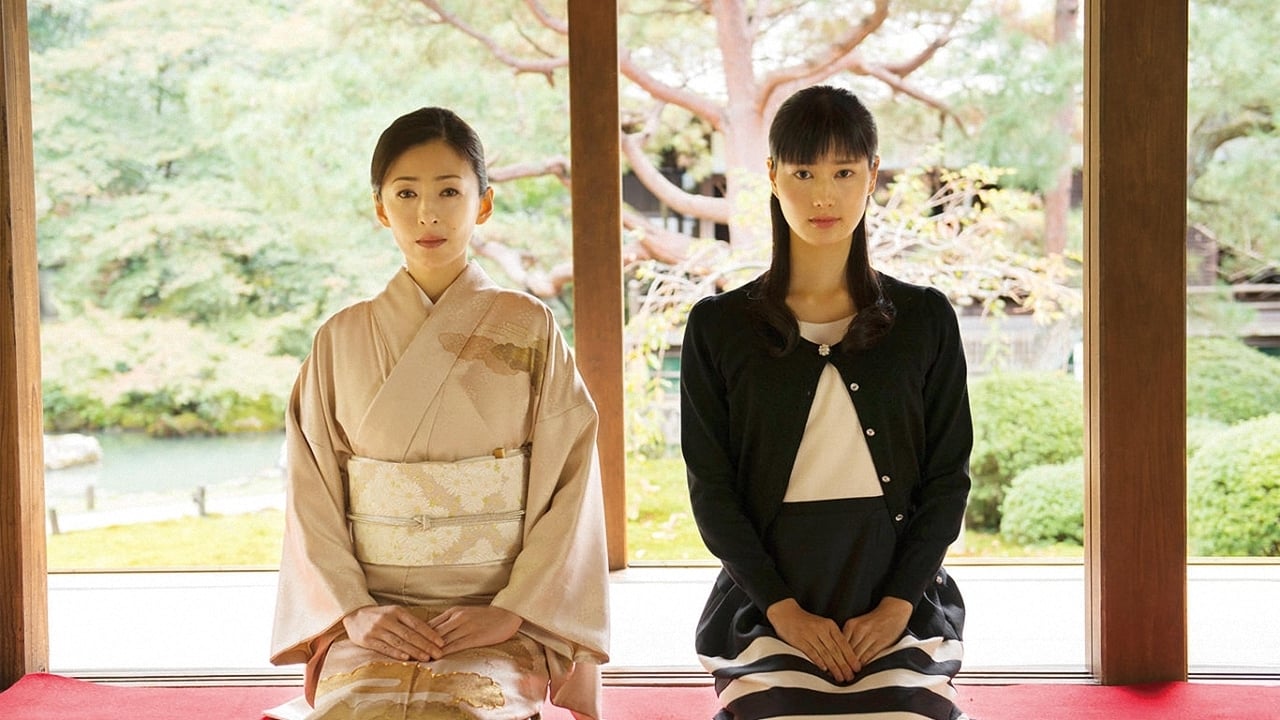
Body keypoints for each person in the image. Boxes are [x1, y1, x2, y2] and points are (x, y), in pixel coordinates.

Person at [269, 107, 610, 720]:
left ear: (484, 204)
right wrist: (355, 610)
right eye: (406, 193)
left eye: (449, 191)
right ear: (381, 208)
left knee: (462, 711)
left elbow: (570, 481)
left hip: (495, 614)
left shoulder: (529, 327)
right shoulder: (339, 338)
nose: (428, 213)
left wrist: (513, 610)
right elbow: (310, 493)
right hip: (375, 617)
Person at [680, 85, 971, 720]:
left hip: (899, 592)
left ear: (872, 175)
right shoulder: (718, 326)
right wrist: (784, 612)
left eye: (843, 172)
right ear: (772, 175)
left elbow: (948, 479)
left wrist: (896, 606)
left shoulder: (925, 318)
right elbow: (712, 491)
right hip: (766, 599)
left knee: (903, 715)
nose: (823, 196)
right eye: (803, 172)